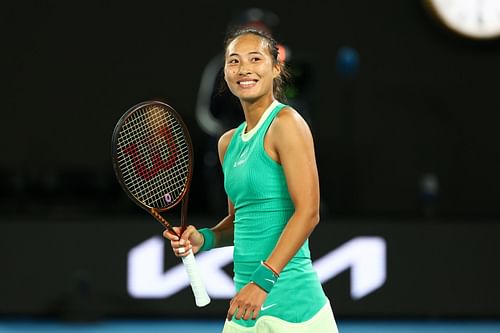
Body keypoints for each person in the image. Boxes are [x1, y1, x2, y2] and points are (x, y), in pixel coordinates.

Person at [164, 27, 339, 333]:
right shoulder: (227, 144)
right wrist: (203, 239)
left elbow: (309, 213)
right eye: (234, 61)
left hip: (294, 309)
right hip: (244, 309)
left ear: (275, 68)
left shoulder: (287, 124)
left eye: (255, 59)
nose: (243, 69)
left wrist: (263, 281)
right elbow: (239, 221)